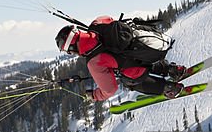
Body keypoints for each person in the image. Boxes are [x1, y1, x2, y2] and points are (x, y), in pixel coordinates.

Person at [56, 16, 187, 102]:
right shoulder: (97, 23)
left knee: (129, 80)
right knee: (134, 58)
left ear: (72, 47)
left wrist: (95, 95)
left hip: (139, 66)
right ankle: (173, 70)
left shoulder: (94, 62)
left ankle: (168, 88)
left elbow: (110, 90)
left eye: (70, 52)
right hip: (148, 48)